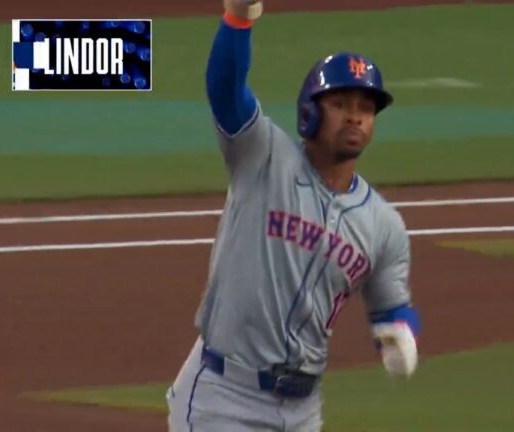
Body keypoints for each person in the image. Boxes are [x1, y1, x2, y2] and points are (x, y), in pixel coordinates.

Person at [166, 0, 421, 430]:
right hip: (223, 397)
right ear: (311, 111)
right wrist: (238, 20)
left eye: (366, 107)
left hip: (303, 409)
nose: (356, 115)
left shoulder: (384, 225)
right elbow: (225, 89)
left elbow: (390, 306)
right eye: (341, 102)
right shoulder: (262, 156)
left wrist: (399, 333)